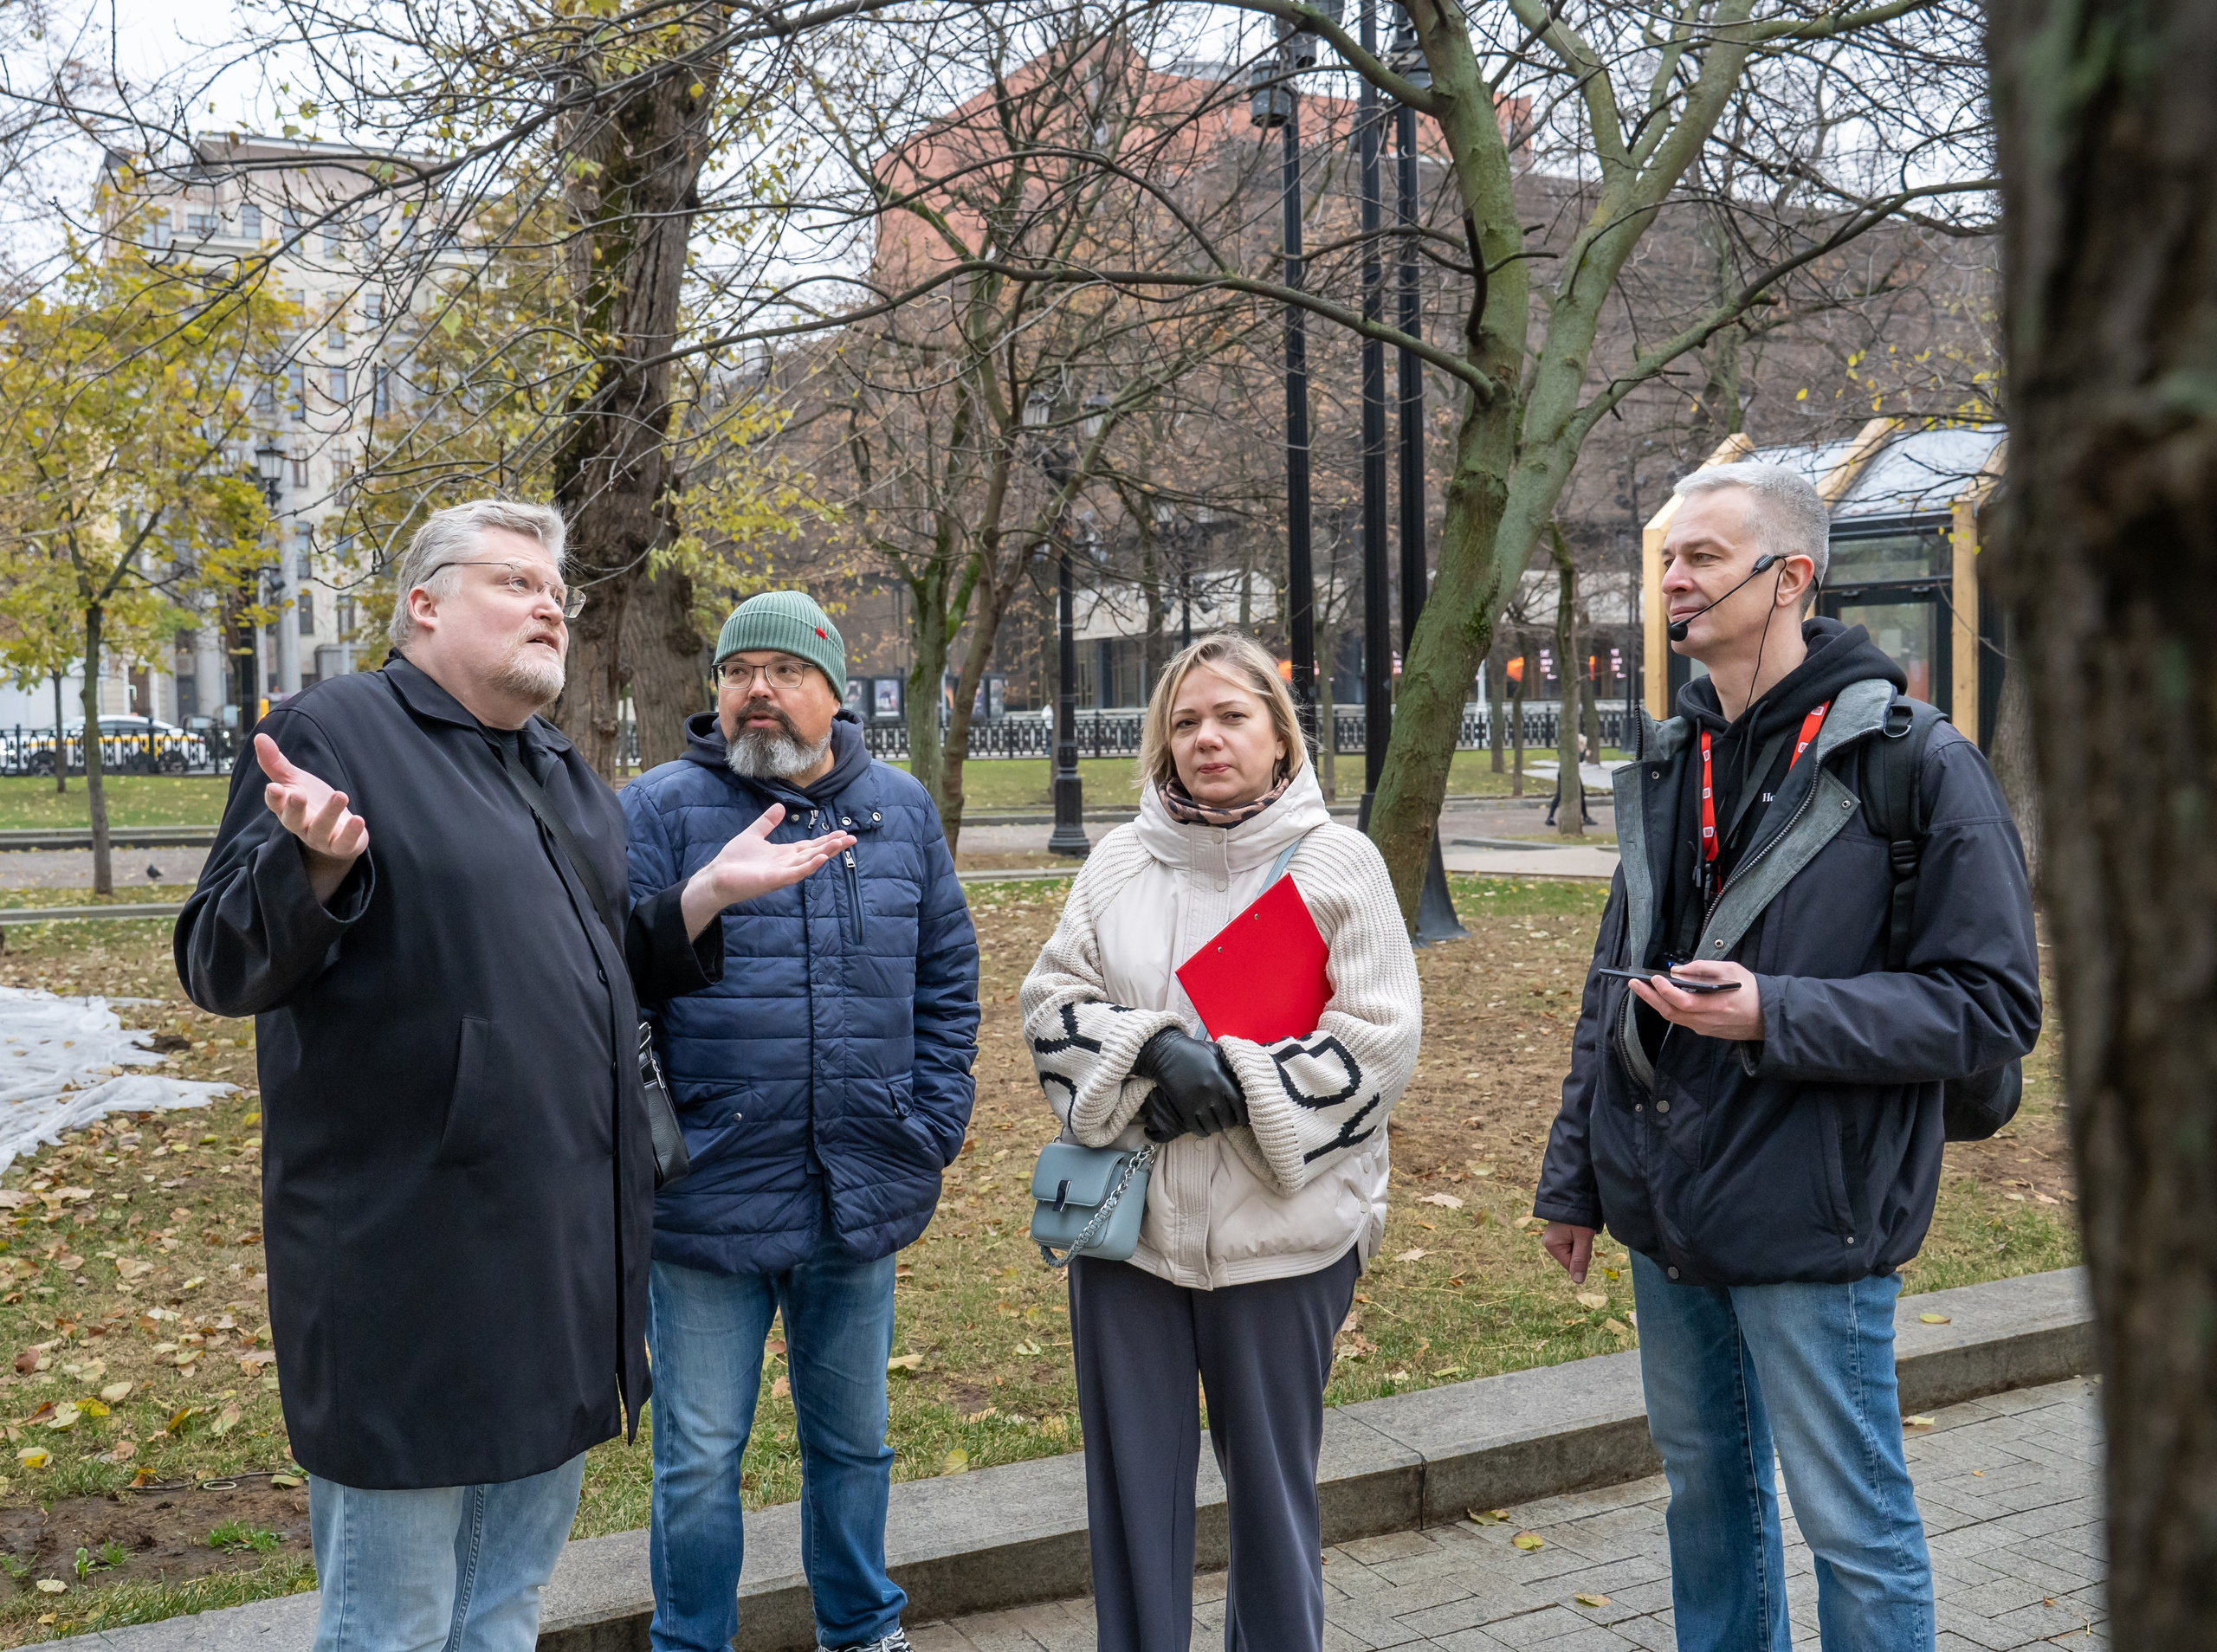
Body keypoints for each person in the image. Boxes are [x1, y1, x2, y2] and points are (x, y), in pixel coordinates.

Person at [175, 502, 852, 1652]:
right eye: (516, 581)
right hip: (413, 1286)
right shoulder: (334, 734)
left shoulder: (559, 772)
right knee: (392, 1626)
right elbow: (218, 961)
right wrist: (311, 863)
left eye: (560, 590)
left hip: (557, 1273)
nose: (551, 602)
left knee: (501, 1612)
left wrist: (702, 900)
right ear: (423, 605)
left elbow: (583, 972)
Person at [1532, 462, 2043, 1652]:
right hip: (1666, 1207)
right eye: (1669, 559)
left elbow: (1992, 1008)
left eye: (1704, 557)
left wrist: (1778, 1010)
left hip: (1816, 1210)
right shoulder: (1672, 760)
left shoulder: (1916, 761)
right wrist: (1574, 1182)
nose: (1674, 580)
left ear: (1789, 580)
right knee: (1707, 1502)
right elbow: (1608, 987)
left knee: (1852, 1524)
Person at [1020, 633, 1422, 1652]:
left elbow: (1378, 1045)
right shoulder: (1117, 863)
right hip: (1132, 1239)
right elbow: (1052, 1010)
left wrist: (1234, 1080)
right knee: (1131, 1504)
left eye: (1232, 716)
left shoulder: (1341, 865)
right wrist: (1154, 1046)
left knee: (1274, 1510)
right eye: (1185, 721)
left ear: (1279, 738)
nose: (1207, 738)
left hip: (1283, 1241)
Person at [619, 590, 979, 1652]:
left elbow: (946, 977)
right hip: (707, 1198)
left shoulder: (900, 811)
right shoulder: (659, 811)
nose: (758, 691)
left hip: (856, 1184)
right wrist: (653, 1144)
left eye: (784, 671)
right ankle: (691, 1642)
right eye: (738, 673)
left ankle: (862, 1629)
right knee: (697, 1457)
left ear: (833, 692)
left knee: (854, 1444)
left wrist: (929, 1122)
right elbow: (615, 987)